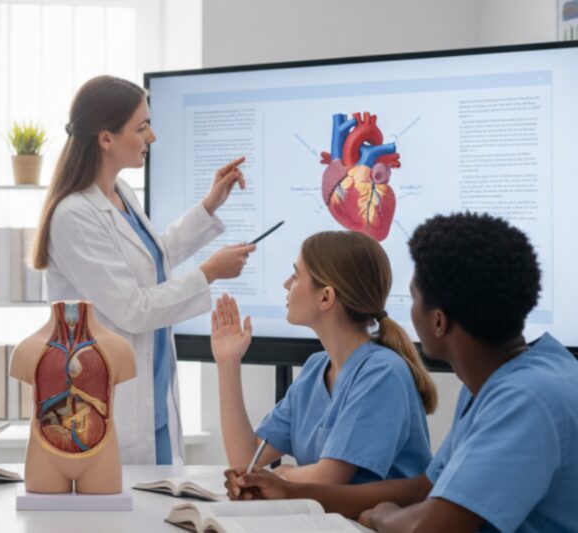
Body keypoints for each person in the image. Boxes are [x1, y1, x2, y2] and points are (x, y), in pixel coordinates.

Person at [229, 213, 578, 533]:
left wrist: (381, 516)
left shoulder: (525, 400)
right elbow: (427, 487)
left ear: (438, 321)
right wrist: (291, 490)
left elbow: (430, 527)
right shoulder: (504, 381)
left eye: (413, 298)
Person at [32, 75, 256, 465]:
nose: (152, 136)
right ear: (106, 139)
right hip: (111, 406)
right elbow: (132, 308)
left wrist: (209, 206)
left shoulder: (120, 195)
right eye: (142, 127)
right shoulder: (73, 216)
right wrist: (209, 273)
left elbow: (151, 261)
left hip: (152, 398)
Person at [212, 231, 437, 487]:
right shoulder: (315, 368)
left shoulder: (382, 373)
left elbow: (328, 479)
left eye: (296, 275)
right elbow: (244, 459)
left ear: (326, 297)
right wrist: (228, 363)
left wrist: (281, 475)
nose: (286, 284)